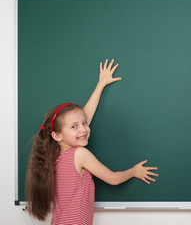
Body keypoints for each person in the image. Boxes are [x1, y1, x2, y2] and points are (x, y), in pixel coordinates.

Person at [26, 59, 159, 224]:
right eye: (74, 126)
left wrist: (100, 85)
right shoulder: (79, 154)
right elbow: (113, 179)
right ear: (57, 135)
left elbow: (82, 118)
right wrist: (133, 171)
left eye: (84, 124)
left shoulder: (54, 154)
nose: (83, 129)